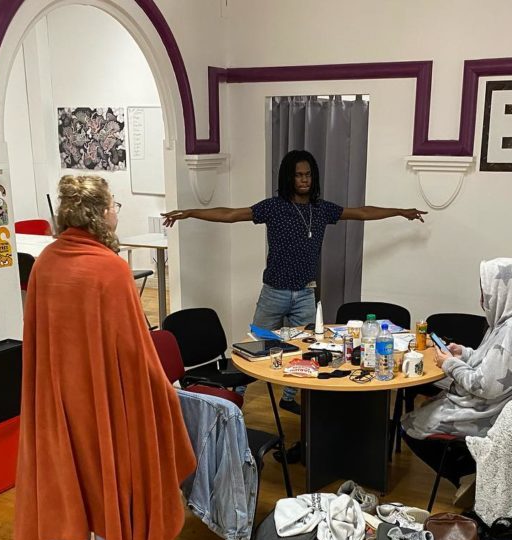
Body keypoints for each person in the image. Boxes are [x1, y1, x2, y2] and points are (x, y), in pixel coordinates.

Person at [8, 174, 196, 540]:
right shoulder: (109, 268)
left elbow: (38, 340)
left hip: (58, 397)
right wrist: (162, 392)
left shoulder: (45, 264)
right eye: (112, 205)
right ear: (97, 213)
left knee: (67, 469)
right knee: (110, 475)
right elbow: (134, 348)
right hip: (102, 400)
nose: (116, 212)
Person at [162, 149, 426, 414]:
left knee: (307, 348)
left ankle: (289, 397)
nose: (304, 180)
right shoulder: (274, 207)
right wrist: (190, 212)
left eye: (308, 175)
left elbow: (361, 212)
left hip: (305, 294)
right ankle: (235, 398)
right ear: (289, 178)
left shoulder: (321, 210)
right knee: (254, 346)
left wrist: (399, 212)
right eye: (299, 175)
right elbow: (232, 215)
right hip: (274, 293)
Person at [402, 257, 512, 441]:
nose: (481, 301)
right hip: (494, 408)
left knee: (411, 422)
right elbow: (492, 363)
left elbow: (483, 385)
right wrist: (463, 353)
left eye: (485, 294)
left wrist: (450, 364)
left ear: (502, 293)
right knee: (428, 405)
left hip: (483, 416)